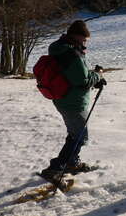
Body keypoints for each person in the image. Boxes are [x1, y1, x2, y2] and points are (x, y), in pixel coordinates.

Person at [40, 20, 106, 180]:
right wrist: (98, 75)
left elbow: (75, 74)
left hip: (63, 98)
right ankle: (56, 167)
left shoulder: (60, 48)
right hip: (73, 101)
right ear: (76, 36)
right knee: (80, 137)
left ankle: (72, 162)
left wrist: (92, 76)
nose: (85, 43)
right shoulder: (70, 53)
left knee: (75, 133)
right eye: (84, 40)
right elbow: (81, 79)